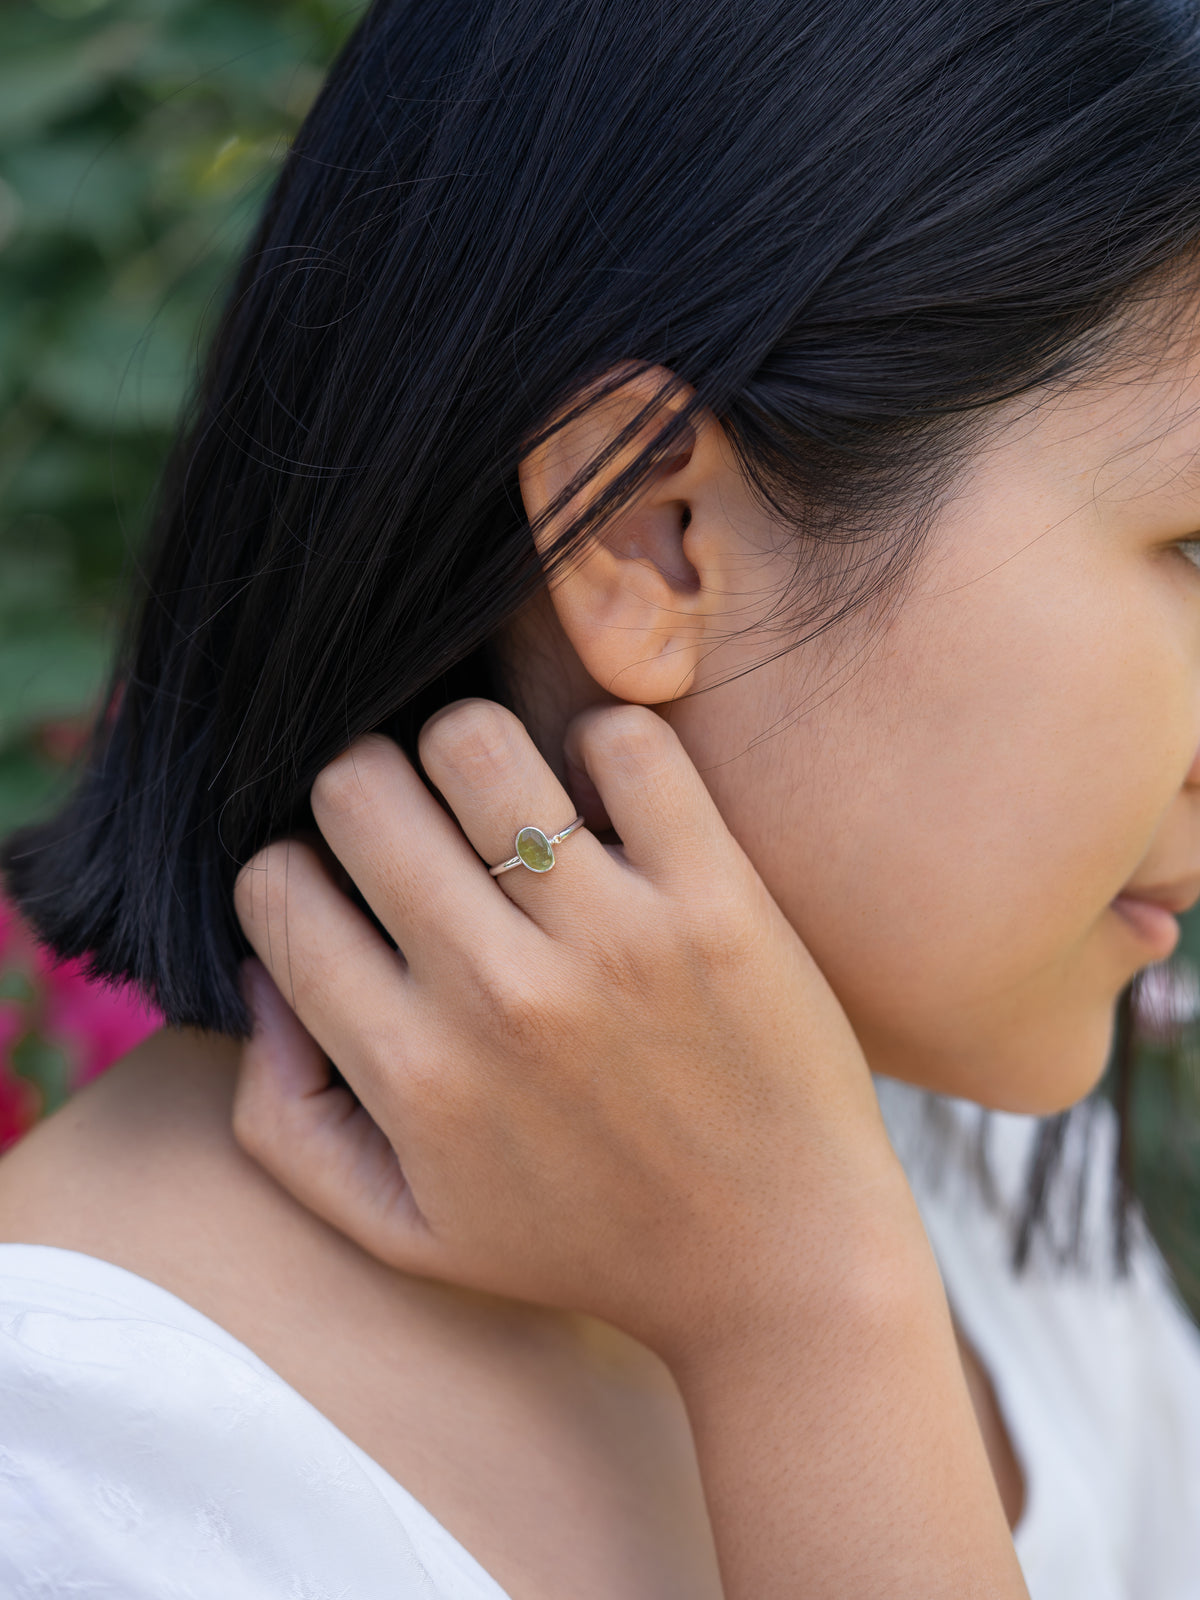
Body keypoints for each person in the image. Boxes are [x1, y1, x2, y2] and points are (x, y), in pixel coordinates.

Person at [2, 0, 1200, 1593]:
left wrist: (806, 1304)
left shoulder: (933, 1149)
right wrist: (808, 1312)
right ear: (647, 536)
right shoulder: (73, 1489)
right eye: (1194, 554)